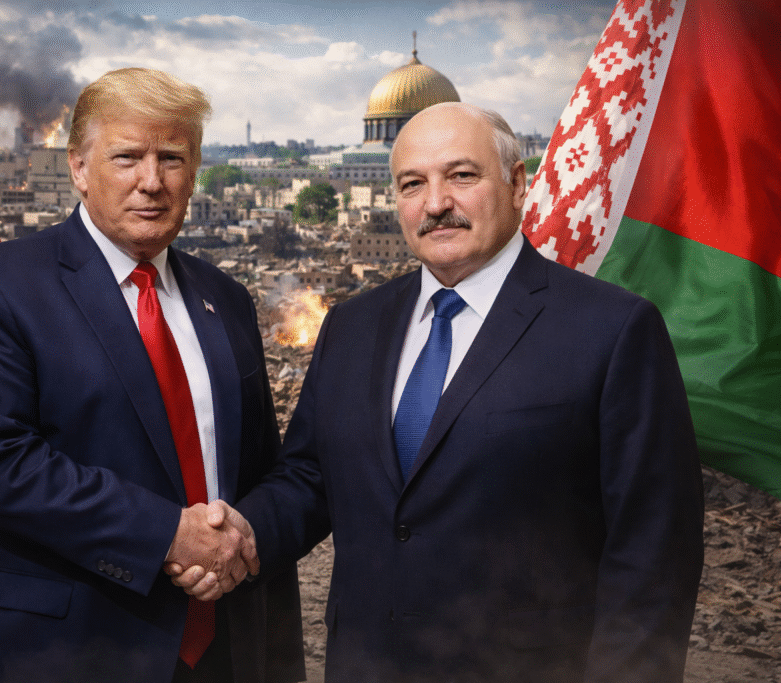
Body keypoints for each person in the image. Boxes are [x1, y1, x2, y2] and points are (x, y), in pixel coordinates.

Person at [182, 101, 705, 682]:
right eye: (413, 184)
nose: (436, 203)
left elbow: (654, 552)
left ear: (517, 184)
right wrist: (240, 534)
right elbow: (311, 478)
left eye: (461, 175)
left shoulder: (611, 329)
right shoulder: (352, 326)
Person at [0, 67, 304, 683]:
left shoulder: (226, 299)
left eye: (172, 158)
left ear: (194, 172)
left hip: (215, 647)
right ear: (78, 167)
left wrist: (243, 536)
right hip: (57, 648)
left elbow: (259, 466)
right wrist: (167, 534)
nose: (151, 181)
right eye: (127, 157)